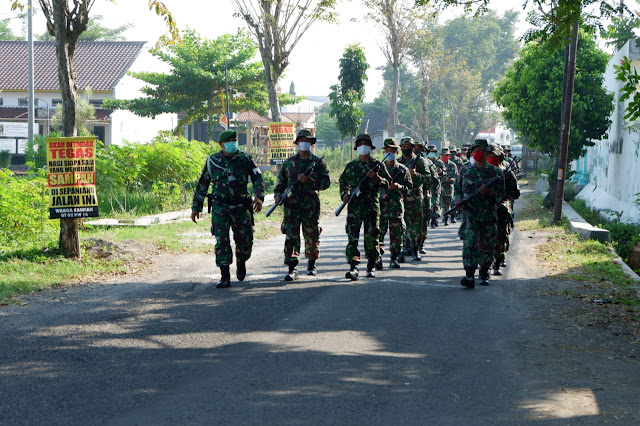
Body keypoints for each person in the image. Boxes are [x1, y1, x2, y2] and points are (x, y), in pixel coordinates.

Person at [191, 130, 264, 288]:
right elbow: (203, 184)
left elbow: (257, 178)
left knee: (245, 241)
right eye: (229, 141)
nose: (233, 143)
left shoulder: (245, 159)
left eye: (234, 140)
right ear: (221, 144)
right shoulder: (213, 161)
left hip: (241, 206)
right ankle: (225, 275)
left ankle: (241, 260)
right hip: (220, 207)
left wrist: (259, 197)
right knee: (221, 241)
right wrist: (196, 206)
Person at [274, 129, 330, 281]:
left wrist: (310, 181)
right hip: (292, 206)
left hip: (310, 205)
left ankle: (311, 265)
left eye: (307, 140)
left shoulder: (317, 163)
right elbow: (281, 182)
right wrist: (277, 196)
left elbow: (326, 183)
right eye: (301, 140)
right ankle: (292, 268)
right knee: (292, 236)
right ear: (297, 143)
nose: (304, 143)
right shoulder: (288, 163)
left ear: (311, 143)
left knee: (311, 235)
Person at [454, 139, 505, 288]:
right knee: (469, 244)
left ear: (487, 153)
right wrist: (458, 200)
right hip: (470, 214)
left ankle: (484, 271)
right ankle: (469, 274)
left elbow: (501, 195)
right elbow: (457, 189)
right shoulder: (465, 170)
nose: (478, 153)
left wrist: (490, 193)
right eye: (475, 150)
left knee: (487, 245)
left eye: (481, 150)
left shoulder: (495, 172)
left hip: (488, 215)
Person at [339, 134, 391, 279]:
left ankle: (371, 265)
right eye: (360, 143)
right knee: (352, 236)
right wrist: (344, 194)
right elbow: (343, 183)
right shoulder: (351, 166)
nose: (363, 146)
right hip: (354, 208)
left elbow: (388, 184)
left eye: (366, 143)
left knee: (372, 237)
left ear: (370, 146)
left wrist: (377, 178)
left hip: (371, 207)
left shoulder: (377, 165)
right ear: (357, 147)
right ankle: (353, 266)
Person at [378, 138, 412, 269]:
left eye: (391, 150)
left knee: (397, 233)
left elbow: (409, 187)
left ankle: (394, 258)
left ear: (396, 152)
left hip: (396, 206)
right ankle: (378, 258)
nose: (389, 152)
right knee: (378, 233)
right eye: (386, 150)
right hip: (381, 205)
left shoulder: (402, 169)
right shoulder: (378, 168)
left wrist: (398, 186)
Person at [487, 144, 520, 275]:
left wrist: (503, 198)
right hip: (483, 209)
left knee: (500, 236)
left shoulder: (506, 170)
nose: (490, 158)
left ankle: (498, 262)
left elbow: (515, 193)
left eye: (493, 155)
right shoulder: (479, 170)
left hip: (501, 209)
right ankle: (485, 265)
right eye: (488, 155)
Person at [398, 137, 430, 261]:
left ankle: (415, 249)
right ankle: (404, 247)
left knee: (416, 224)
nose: (406, 149)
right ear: (401, 148)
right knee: (402, 224)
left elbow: (429, 178)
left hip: (416, 197)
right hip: (401, 198)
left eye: (409, 146)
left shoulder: (420, 161)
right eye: (404, 146)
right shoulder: (398, 162)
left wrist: (415, 175)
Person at [439, 147, 459, 226]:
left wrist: (451, 180)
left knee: (451, 203)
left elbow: (456, 177)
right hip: (439, 188)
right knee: (443, 204)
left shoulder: (452, 165)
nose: (444, 156)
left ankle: (452, 216)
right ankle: (445, 218)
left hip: (449, 188)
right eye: (443, 155)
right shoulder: (437, 164)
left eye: (446, 155)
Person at [427, 144, 444, 228]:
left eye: (433, 152)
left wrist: (440, 172)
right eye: (430, 152)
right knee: (428, 203)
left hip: (436, 186)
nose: (431, 153)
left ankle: (434, 219)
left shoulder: (439, 162)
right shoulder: (425, 161)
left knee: (435, 203)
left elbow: (444, 173)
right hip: (427, 185)